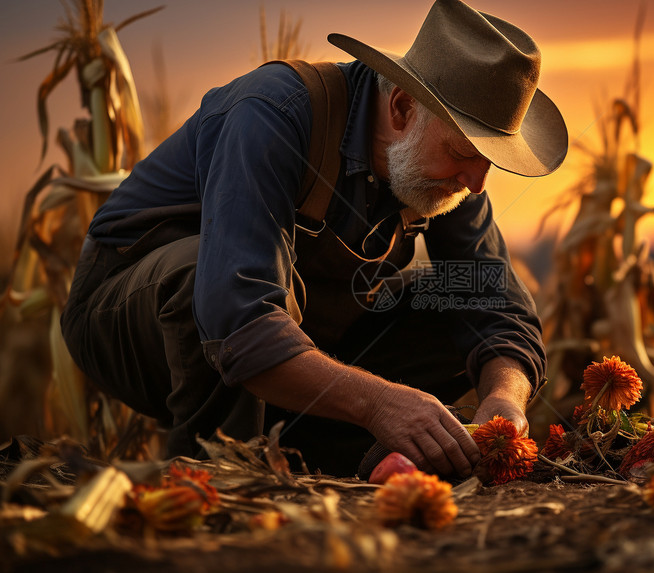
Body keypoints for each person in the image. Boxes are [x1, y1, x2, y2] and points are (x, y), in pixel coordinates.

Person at [61, 0, 568, 477]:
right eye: (465, 152)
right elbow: (239, 319)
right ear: (401, 107)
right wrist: (379, 401)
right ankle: (222, 474)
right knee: (213, 275)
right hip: (129, 317)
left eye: (490, 161)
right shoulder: (272, 115)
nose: (477, 182)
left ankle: (324, 455)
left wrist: (504, 399)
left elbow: (493, 302)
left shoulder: (447, 172)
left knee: (454, 296)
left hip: (305, 335)